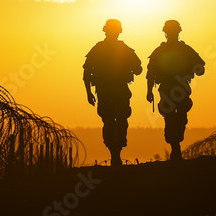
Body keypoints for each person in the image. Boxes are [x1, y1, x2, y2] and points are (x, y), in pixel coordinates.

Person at [83, 19, 142, 166]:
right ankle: (116, 152)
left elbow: (86, 74)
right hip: (116, 90)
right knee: (118, 119)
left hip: (106, 91)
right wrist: (88, 93)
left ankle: (115, 152)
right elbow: (139, 69)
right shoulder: (122, 49)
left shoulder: (98, 49)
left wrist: (89, 93)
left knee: (111, 120)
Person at [146, 20, 205, 161]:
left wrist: (149, 91)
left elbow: (200, 68)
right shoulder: (181, 50)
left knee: (176, 117)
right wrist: (148, 91)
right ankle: (175, 147)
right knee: (174, 117)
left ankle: (175, 145)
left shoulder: (165, 51)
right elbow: (151, 73)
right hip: (175, 88)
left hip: (175, 88)